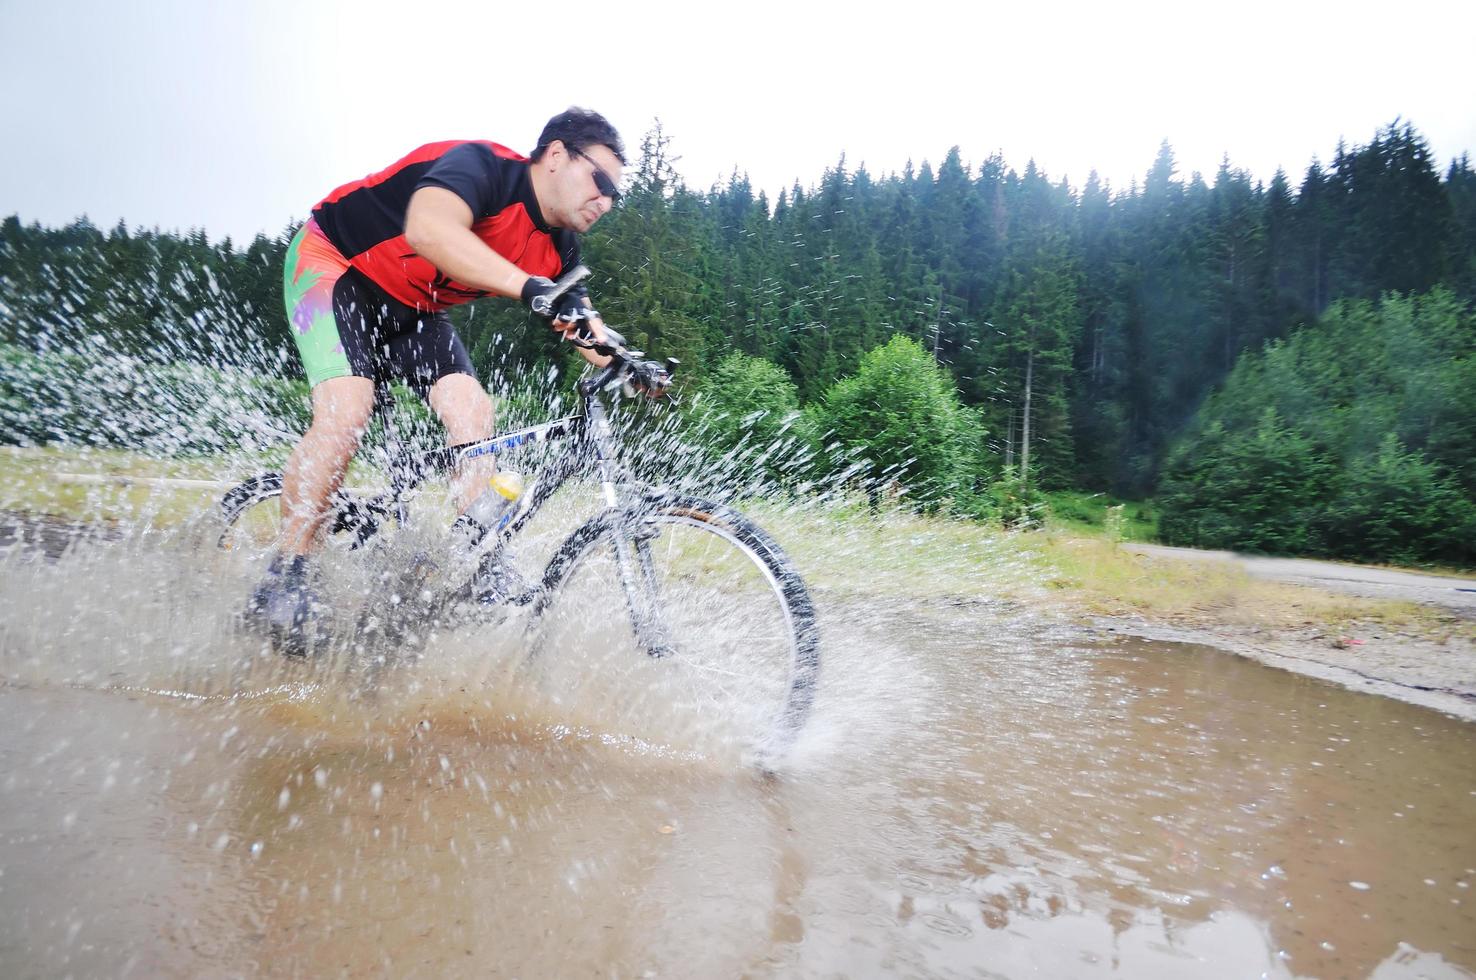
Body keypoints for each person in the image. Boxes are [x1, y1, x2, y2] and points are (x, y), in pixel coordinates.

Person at [248, 107, 626, 636]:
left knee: (473, 409)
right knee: (347, 411)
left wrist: (628, 362)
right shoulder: (482, 168)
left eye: (617, 194)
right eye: (601, 181)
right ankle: (286, 573)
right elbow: (428, 231)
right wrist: (527, 287)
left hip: (415, 308)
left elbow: (585, 327)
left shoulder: (558, 246)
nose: (606, 200)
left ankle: (479, 561)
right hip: (336, 267)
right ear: (558, 156)